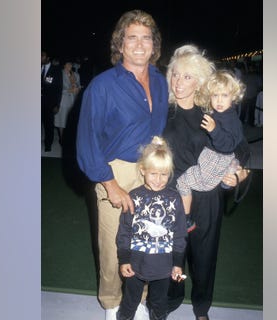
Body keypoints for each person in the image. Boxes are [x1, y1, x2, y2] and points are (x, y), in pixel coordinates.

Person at [76, 9, 169, 320]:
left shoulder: (160, 81)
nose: (140, 44)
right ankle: (112, 302)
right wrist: (109, 183)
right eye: (132, 38)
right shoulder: (102, 86)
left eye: (146, 38)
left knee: (145, 240)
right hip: (115, 170)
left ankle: (137, 298)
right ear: (121, 44)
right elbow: (87, 140)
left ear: (155, 44)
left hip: (150, 172)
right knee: (114, 244)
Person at [162, 44, 250, 320]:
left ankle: (201, 308)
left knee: (204, 255)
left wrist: (238, 171)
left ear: (200, 80)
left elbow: (241, 147)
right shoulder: (160, 112)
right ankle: (170, 300)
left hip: (208, 196)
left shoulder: (211, 111)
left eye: (187, 76)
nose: (179, 82)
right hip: (171, 195)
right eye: (175, 74)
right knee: (171, 254)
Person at [116, 136, 187, 320]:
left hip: (164, 266)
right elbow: (124, 231)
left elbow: (180, 234)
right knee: (130, 302)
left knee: (159, 303)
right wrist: (124, 259)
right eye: (153, 173)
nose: (158, 180)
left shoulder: (174, 198)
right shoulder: (133, 196)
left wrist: (178, 263)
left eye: (164, 174)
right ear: (143, 170)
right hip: (135, 263)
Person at [175, 70, 246, 232]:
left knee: (182, 181)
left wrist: (214, 130)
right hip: (212, 158)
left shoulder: (231, 119)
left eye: (224, 95)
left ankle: (186, 219)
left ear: (234, 96)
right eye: (215, 96)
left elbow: (228, 145)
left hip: (217, 158)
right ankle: (224, 177)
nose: (219, 100)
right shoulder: (219, 113)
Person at [55, 60, 81, 143]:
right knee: (62, 121)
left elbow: (78, 86)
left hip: (73, 101)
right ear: (64, 65)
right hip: (62, 101)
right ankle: (62, 139)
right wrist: (69, 90)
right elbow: (56, 89)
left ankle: (69, 138)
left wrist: (77, 88)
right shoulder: (59, 74)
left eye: (71, 64)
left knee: (71, 121)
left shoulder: (76, 74)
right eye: (68, 64)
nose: (70, 65)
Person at [42, 50, 63, 152]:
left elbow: (59, 88)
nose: (40, 57)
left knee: (48, 124)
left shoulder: (55, 70)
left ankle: (48, 144)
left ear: (48, 58)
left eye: (42, 55)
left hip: (49, 103)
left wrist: (57, 104)